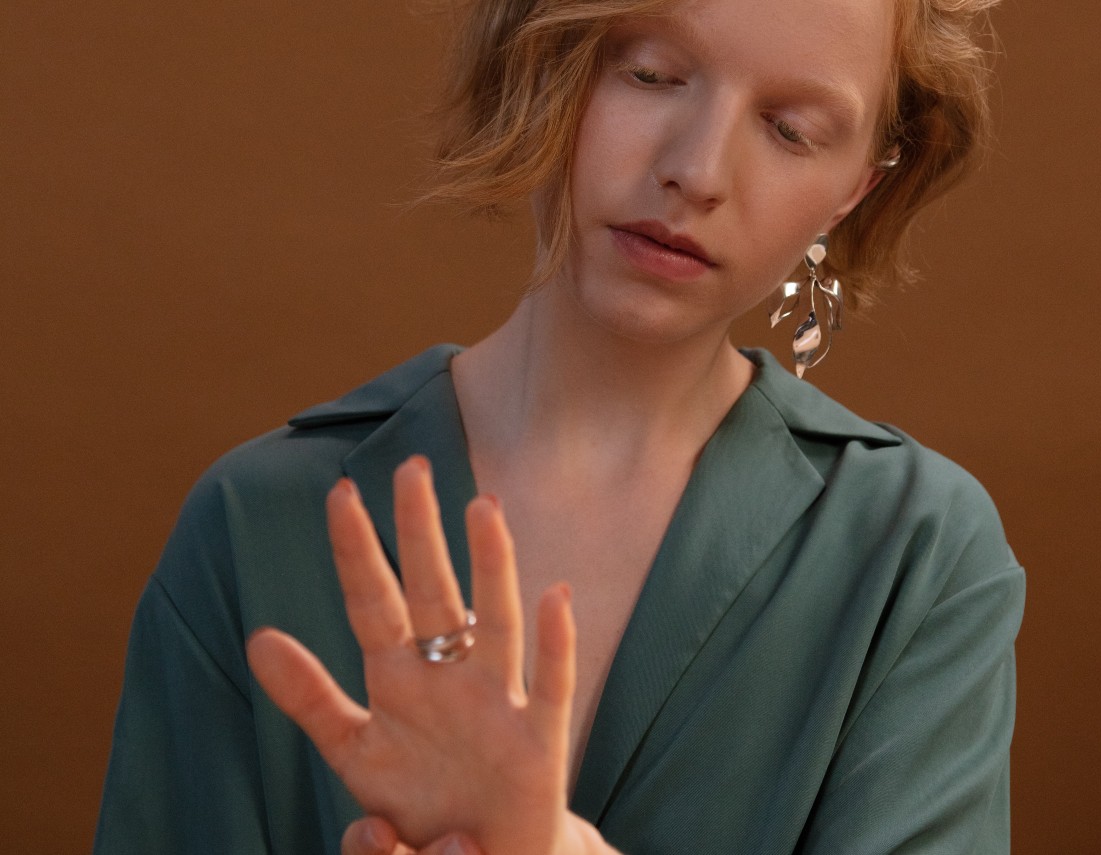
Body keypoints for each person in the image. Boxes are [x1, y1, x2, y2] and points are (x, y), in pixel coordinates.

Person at [94, 0, 1025, 852]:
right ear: (541, 58)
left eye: (791, 130)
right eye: (651, 75)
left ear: (856, 187)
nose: (698, 171)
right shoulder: (254, 525)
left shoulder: (918, 557)